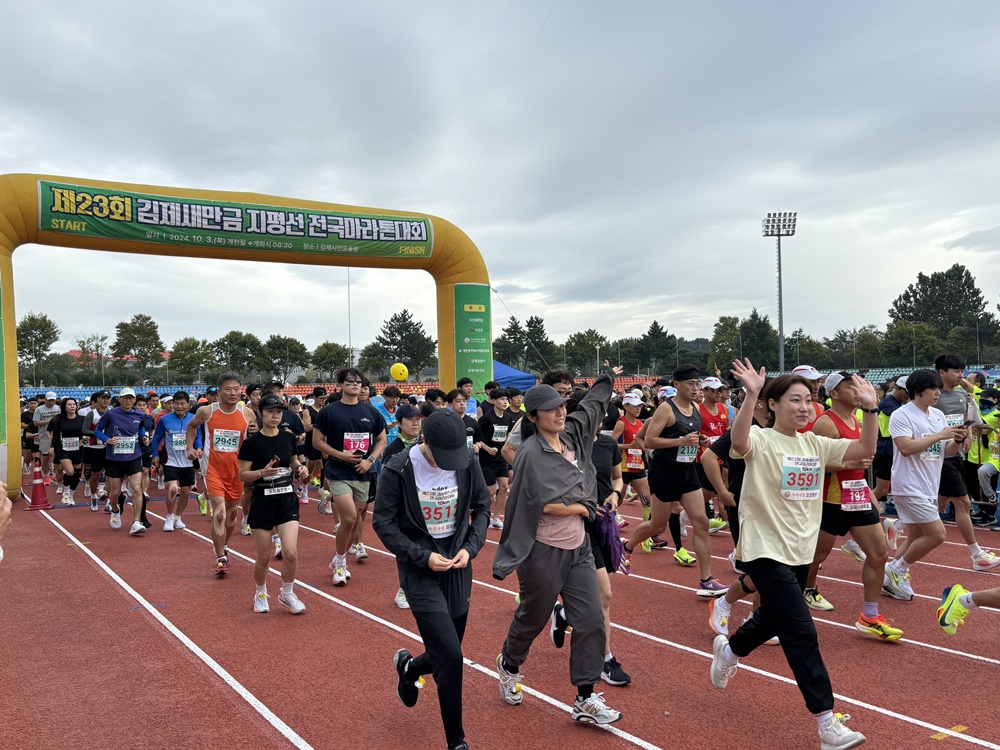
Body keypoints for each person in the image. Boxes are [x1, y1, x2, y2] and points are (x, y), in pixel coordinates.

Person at [711, 360, 877, 750]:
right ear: (773, 404)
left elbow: (866, 448)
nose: (804, 407)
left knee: (773, 617)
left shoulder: (815, 443)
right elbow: (737, 444)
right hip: (763, 548)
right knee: (801, 631)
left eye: (809, 399)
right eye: (795, 400)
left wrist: (871, 409)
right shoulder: (761, 438)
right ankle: (826, 723)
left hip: (800, 549)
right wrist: (751, 393)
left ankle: (729, 651)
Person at [493, 363, 625, 727]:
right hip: (542, 550)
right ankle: (510, 662)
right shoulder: (530, 455)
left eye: (562, 405)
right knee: (532, 618)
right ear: (533, 417)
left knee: (593, 619)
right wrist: (579, 506)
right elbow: (532, 504)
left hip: (579, 546)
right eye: (551, 409)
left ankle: (584, 697)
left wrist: (606, 378)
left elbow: (594, 404)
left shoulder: (573, 434)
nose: (560, 412)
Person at [373, 409, 490, 750]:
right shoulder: (398, 468)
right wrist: (422, 556)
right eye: (444, 457)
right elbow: (383, 523)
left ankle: (409, 668)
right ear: (425, 441)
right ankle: (457, 742)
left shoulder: (467, 460)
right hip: (419, 570)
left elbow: (482, 508)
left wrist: (471, 547)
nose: (451, 464)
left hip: (458, 566)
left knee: (446, 649)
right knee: (452, 657)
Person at [801, 372, 901, 642]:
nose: (858, 392)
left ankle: (869, 615)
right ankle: (806, 590)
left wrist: (868, 491)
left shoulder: (857, 420)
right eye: (851, 388)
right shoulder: (826, 424)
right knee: (816, 556)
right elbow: (815, 463)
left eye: (860, 387)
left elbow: (861, 463)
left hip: (857, 498)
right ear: (834, 393)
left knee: (879, 554)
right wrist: (849, 465)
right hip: (830, 500)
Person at [883, 370, 996, 601]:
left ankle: (890, 577)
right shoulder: (902, 415)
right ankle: (897, 569)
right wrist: (940, 435)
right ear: (917, 391)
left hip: (929, 485)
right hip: (909, 485)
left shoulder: (937, 415)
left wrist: (955, 439)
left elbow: (946, 452)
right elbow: (905, 448)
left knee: (915, 536)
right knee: (937, 534)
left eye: (938, 389)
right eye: (933, 389)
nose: (937, 393)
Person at [620, 364, 727, 596]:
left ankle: (706, 579)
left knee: (701, 521)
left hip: (687, 472)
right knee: (657, 525)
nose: (696, 388)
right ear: (677, 385)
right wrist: (680, 441)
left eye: (698, 384)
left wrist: (700, 441)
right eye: (691, 384)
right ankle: (625, 547)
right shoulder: (666, 410)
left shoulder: (696, 408)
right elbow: (648, 441)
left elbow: (691, 437)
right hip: (665, 472)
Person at [312, 367, 387, 586]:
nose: (355, 384)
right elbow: (317, 441)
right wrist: (340, 455)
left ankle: (337, 557)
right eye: (349, 381)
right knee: (349, 518)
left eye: (358, 381)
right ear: (341, 385)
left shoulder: (371, 412)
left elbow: (381, 440)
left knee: (357, 519)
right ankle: (341, 562)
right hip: (337, 471)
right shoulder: (329, 411)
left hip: (362, 472)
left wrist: (369, 460)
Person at [238, 393, 309, 614]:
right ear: (261, 414)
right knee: (263, 556)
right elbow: (242, 475)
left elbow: (293, 460)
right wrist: (262, 472)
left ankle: (287, 593)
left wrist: (300, 469)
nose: (275, 416)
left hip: (287, 500)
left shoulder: (288, 438)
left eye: (278, 412)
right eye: (270, 412)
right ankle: (260, 592)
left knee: (290, 552)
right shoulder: (252, 443)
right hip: (262, 502)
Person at [187, 373, 257, 575]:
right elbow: (191, 427)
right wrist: (190, 448)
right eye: (228, 389)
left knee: (232, 515)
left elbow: (255, 438)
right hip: (213, 470)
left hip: (237, 471)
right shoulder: (206, 411)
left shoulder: (248, 414)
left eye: (236, 389)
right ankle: (220, 556)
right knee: (219, 513)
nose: (233, 393)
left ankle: (223, 544)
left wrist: (255, 432)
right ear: (219, 392)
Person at [94, 388, 151, 535]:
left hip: (133, 456)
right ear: (119, 399)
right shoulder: (110, 414)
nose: (128, 401)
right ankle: (115, 509)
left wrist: (144, 437)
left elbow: (141, 428)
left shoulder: (139, 414)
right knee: (115, 492)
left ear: (134, 400)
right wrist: (107, 440)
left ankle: (136, 522)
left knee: (137, 488)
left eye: (130, 398)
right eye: (124, 398)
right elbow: (98, 430)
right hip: (114, 458)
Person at [151, 391, 199, 532]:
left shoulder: (194, 419)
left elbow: (198, 437)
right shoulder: (165, 420)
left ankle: (178, 516)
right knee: (172, 489)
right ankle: (170, 516)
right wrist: (155, 455)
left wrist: (199, 448)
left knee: (185, 492)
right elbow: (157, 438)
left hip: (188, 461)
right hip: (170, 460)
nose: (179, 406)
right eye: (176, 403)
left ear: (188, 405)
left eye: (182, 404)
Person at [478, 388, 517, 530]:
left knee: (504, 487)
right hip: (487, 459)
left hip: (501, 459)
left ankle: (496, 518)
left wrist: (506, 447)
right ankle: (484, 516)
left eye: (506, 399)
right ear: (494, 401)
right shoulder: (486, 418)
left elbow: (508, 435)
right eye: (501, 399)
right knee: (490, 491)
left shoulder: (507, 418)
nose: (505, 402)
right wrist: (488, 448)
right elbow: (478, 438)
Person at [873, 376, 909, 515]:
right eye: (907, 392)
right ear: (898, 389)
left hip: (897, 446)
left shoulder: (900, 403)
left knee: (900, 483)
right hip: (887, 447)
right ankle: (856, 505)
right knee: (882, 488)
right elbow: (903, 418)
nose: (909, 396)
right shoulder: (888, 403)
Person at [47, 398, 86, 505]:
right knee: (70, 471)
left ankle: (71, 494)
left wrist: (83, 441)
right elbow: (55, 435)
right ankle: (66, 492)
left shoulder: (82, 419)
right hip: (64, 449)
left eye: (74, 404)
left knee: (77, 474)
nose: (72, 406)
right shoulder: (59, 421)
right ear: (64, 407)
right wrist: (52, 447)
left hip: (78, 449)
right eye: (69, 405)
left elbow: (87, 433)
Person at [33, 391, 61, 482]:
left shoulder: (59, 408)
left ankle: (56, 474)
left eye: (53, 400)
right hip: (44, 435)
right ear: (45, 400)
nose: (51, 402)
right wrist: (50, 421)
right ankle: (46, 475)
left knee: (57, 456)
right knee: (45, 456)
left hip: (57, 434)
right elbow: (36, 422)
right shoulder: (39, 409)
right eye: (49, 400)